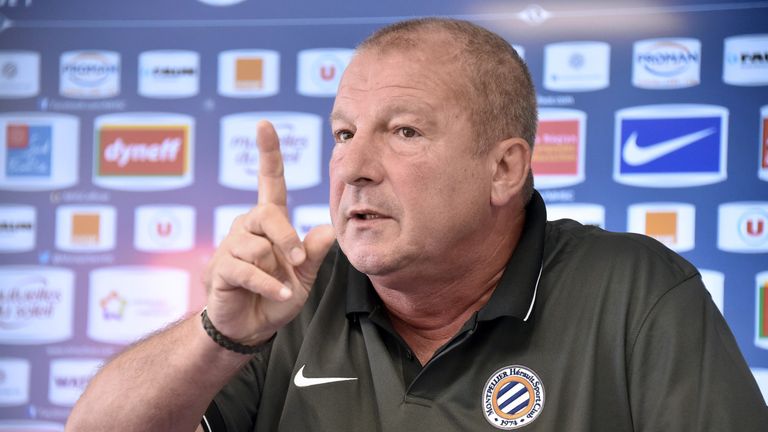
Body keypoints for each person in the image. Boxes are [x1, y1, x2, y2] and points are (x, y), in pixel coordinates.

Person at [66, 18, 767, 432]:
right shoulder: (289, 298)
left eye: (403, 131)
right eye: (343, 134)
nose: (354, 168)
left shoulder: (635, 291)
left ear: (505, 169)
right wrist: (221, 336)